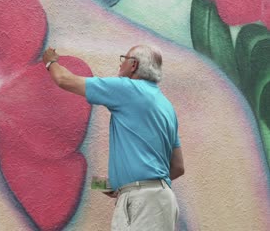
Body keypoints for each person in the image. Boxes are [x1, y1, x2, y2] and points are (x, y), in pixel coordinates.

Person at [42, 45, 185, 231]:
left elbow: (64, 80)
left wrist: (50, 61)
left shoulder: (128, 89)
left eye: (123, 59)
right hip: (152, 199)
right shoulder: (166, 106)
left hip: (144, 201)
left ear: (133, 65)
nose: (120, 65)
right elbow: (178, 167)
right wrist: (130, 183)